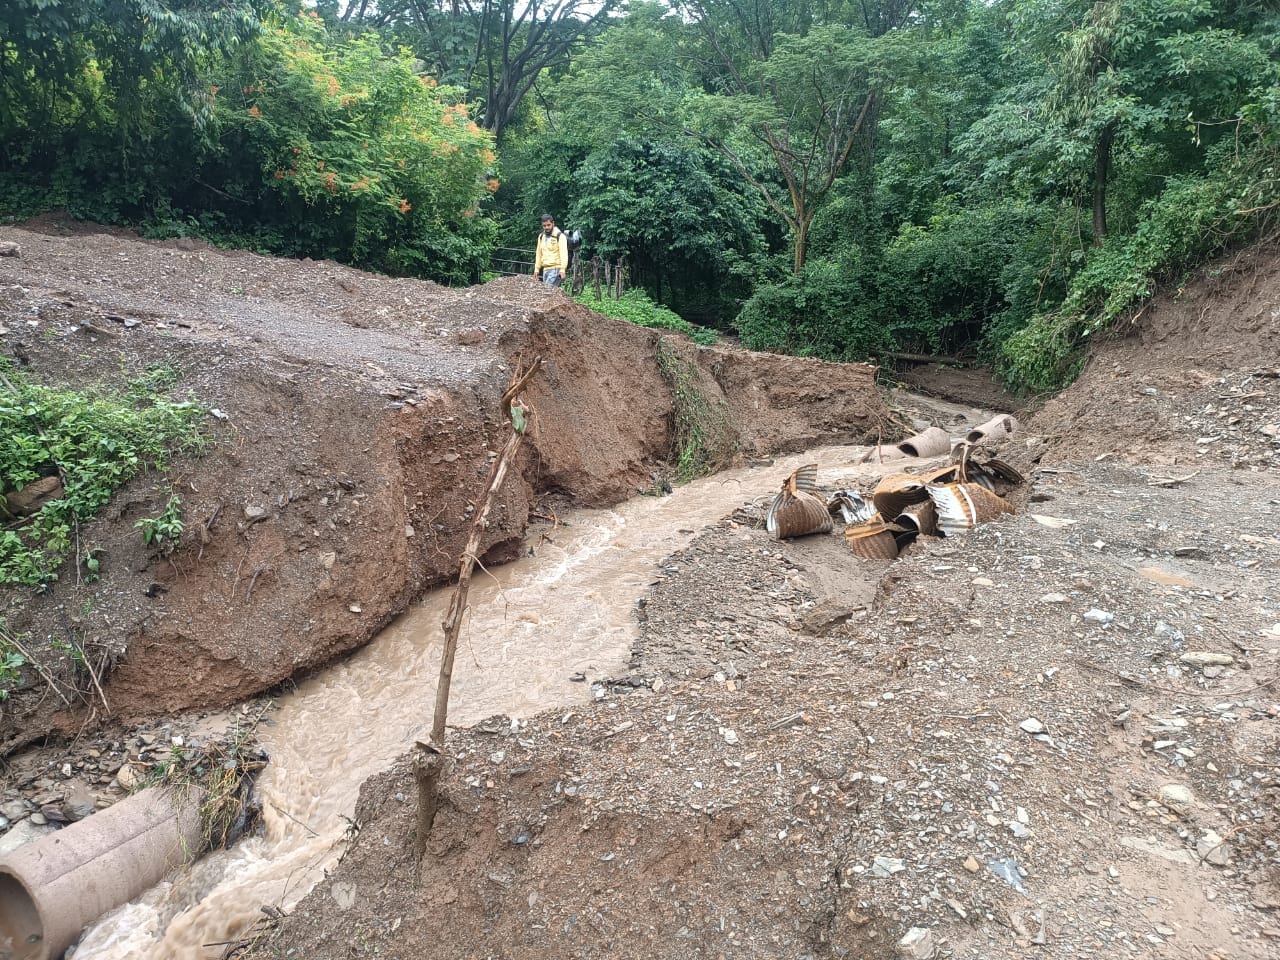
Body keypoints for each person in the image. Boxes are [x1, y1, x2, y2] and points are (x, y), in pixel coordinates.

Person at [533, 213, 569, 287]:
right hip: (545, 269)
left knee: (548, 293)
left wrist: (562, 269)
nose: (546, 227)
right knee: (549, 294)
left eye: (548, 225)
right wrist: (537, 269)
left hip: (556, 269)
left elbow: (564, 254)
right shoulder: (541, 236)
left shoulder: (560, 236)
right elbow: (539, 253)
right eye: (544, 226)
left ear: (553, 223)